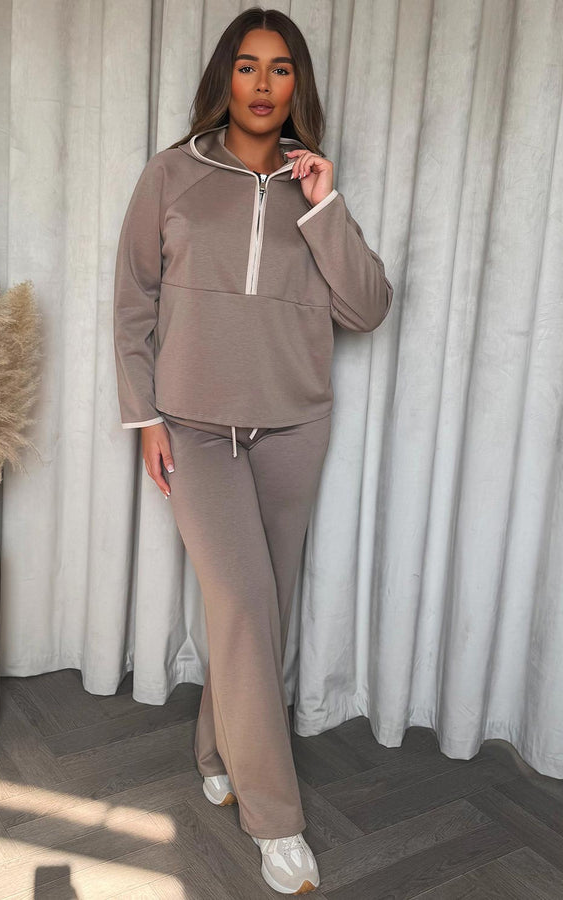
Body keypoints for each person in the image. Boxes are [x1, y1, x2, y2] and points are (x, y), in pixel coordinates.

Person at [113, 6, 393, 895]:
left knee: (259, 612)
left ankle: (216, 750)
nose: (263, 84)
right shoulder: (172, 174)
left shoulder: (315, 189)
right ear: (224, 79)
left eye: (280, 69)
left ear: (296, 84)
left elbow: (369, 308)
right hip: (194, 427)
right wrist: (145, 418)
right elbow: (133, 300)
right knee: (240, 601)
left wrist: (325, 207)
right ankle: (277, 823)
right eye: (247, 66)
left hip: (293, 427)